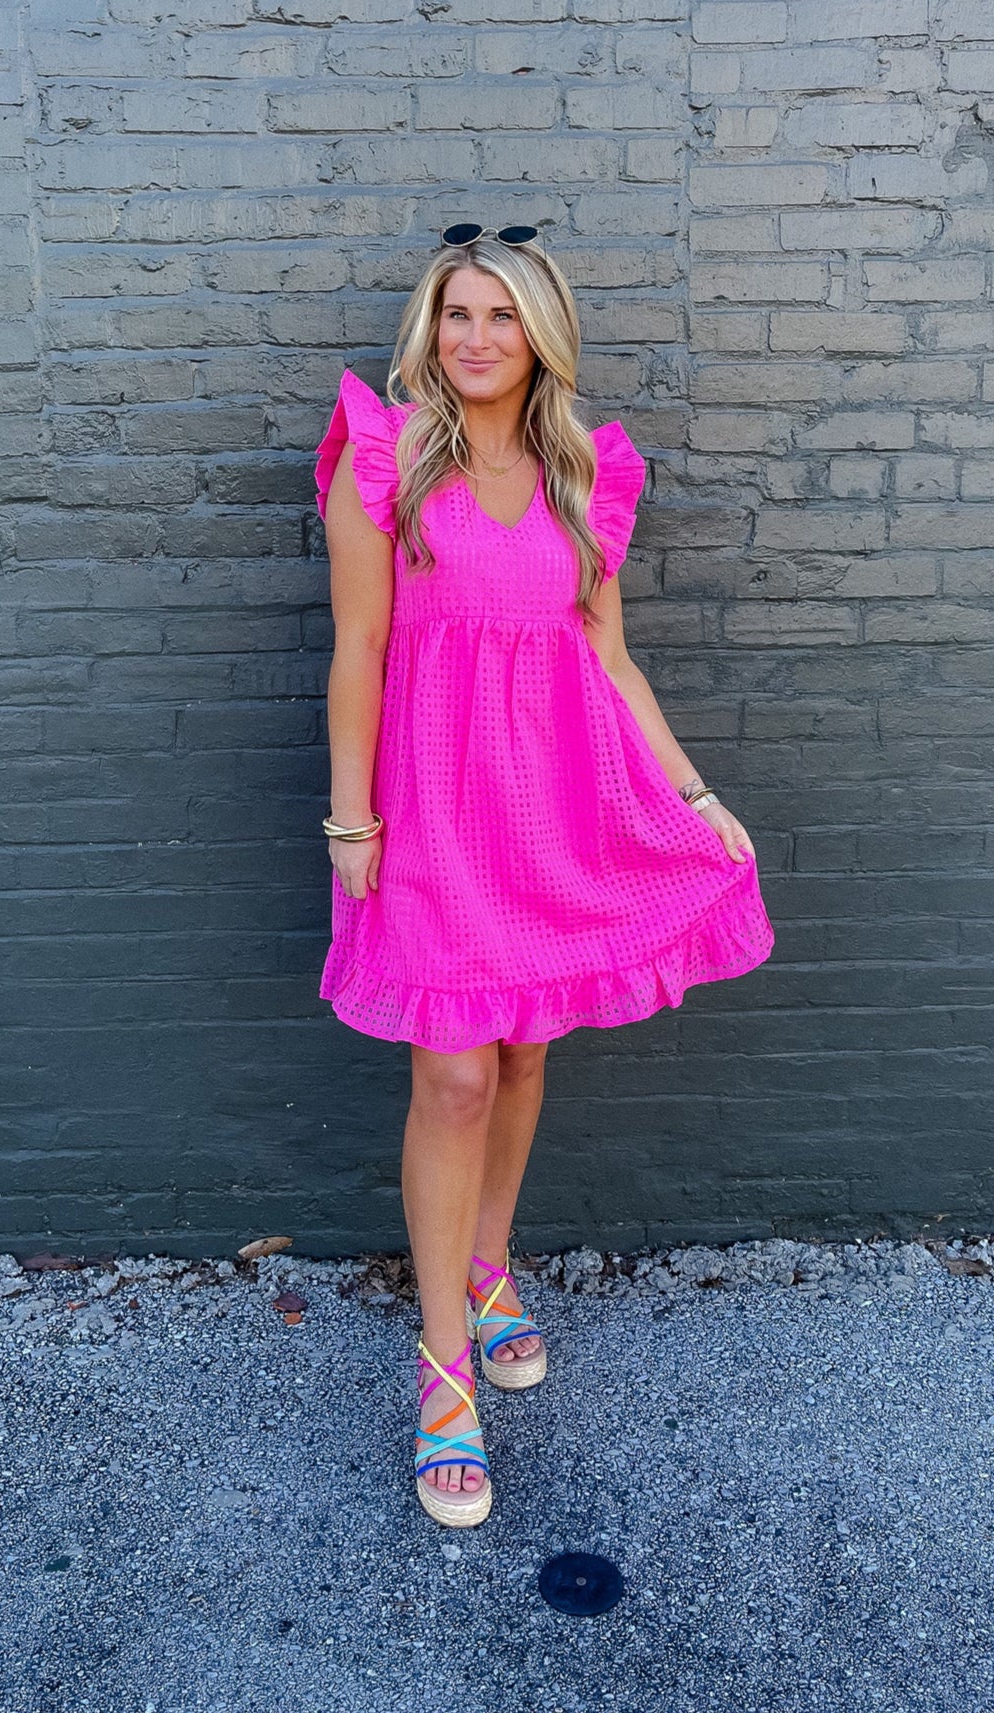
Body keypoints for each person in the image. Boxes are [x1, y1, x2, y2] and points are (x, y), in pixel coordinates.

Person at [314, 223, 775, 1528]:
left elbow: (608, 660)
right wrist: (351, 820)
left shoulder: (586, 472)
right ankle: (443, 1364)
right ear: (432, 330)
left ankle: (490, 1263)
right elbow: (359, 647)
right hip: (427, 809)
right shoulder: (386, 456)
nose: (475, 339)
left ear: (541, 336)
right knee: (453, 1072)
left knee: (520, 1056)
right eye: (456, 314)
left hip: (553, 805)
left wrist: (693, 793)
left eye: (501, 316)